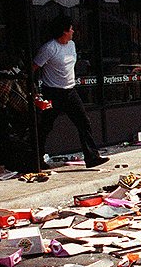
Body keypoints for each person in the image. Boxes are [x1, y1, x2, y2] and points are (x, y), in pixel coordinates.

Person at [33, 16, 108, 168]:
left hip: (70, 91)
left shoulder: (71, 45)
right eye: (71, 28)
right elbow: (34, 67)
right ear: (64, 31)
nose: (73, 31)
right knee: (45, 126)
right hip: (52, 93)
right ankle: (37, 158)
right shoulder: (49, 48)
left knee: (83, 122)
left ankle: (92, 156)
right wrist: (35, 89)